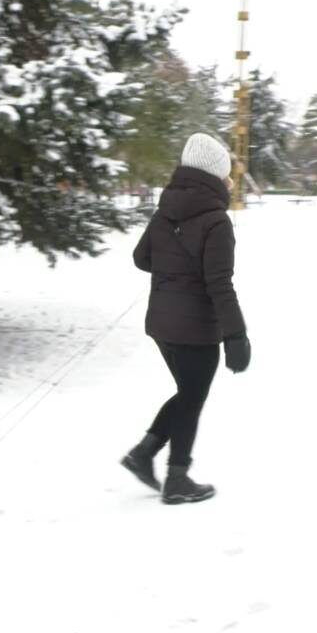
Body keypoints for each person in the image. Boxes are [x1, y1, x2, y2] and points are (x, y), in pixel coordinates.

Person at [122, 132, 252, 504]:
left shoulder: (165, 210)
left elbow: (141, 258)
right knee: (192, 398)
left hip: (162, 325)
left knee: (187, 394)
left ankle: (144, 453)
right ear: (214, 175)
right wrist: (236, 336)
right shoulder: (215, 221)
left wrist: (173, 270)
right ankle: (176, 477)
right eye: (227, 174)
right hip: (196, 330)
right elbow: (219, 285)